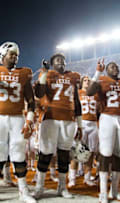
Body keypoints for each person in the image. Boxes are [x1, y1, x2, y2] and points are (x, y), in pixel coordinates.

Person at [0, 31, 36, 203]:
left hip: (18, 117)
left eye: (16, 55)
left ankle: (23, 191)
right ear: (2, 55)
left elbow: (31, 100)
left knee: (18, 153)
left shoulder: (24, 73)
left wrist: (30, 120)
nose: (15, 58)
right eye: (12, 55)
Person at [33, 55, 82, 199]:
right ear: (52, 64)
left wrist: (80, 125)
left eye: (62, 60)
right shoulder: (47, 75)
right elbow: (39, 93)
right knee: (45, 153)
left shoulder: (73, 76)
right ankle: (39, 187)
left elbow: (77, 101)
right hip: (51, 118)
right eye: (57, 60)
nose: (60, 62)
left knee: (64, 154)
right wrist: (44, 73)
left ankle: (62, 186)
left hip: (69, 119)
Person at [87, 59, 120, 203]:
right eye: (112, 66)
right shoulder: (102, 79)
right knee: (105, 153)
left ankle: (115, 190)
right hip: (107, 117)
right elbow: (89, 92)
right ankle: (103, 192)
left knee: (118, 154)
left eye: (116, 66)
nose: (115, 68)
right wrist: (97, 72)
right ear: (107, 70)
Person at [77, 75, 99, 186]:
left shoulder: (95, 95)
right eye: (85, 80)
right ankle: (72, 177)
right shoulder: (78, 93)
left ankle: (87, 177)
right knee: (78, 150)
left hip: (94, 123)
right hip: (82, 123)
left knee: (91, 152)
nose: (87, 82)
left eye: (88, 81)